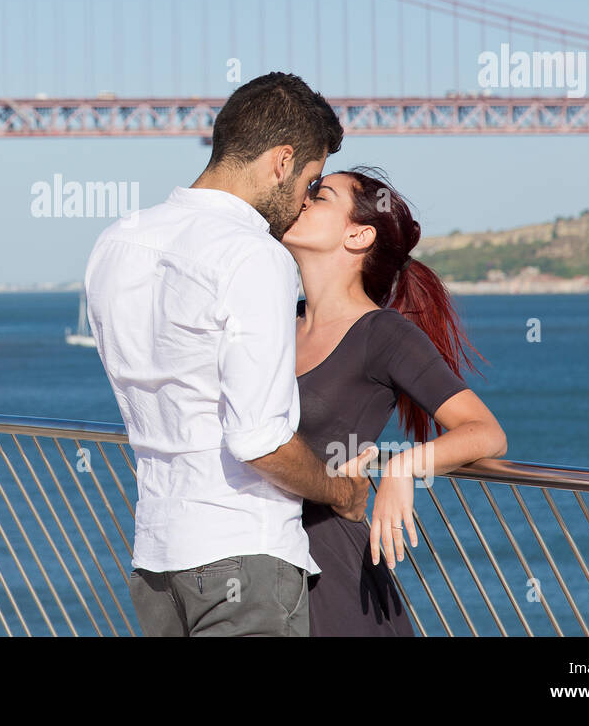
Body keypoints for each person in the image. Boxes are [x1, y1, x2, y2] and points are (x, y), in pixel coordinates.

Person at [84, 72, 377, 637]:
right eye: (310, 181)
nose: (299, 206)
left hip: (156, 561)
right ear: (282, 161)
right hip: (244, 556)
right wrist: (343, 492)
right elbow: (259, 440)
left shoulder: (116, 242)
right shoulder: (253, 256)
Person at [281, 166, 508, 635]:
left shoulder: (383, 334)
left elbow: (485, 432)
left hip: (333, 576)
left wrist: (403, 467)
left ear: (359, 235)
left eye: (319, 196)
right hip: (258, 561)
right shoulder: (277, 320)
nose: (301, 200)